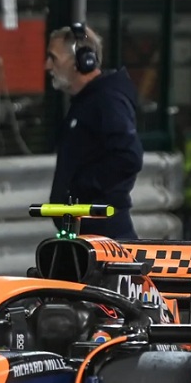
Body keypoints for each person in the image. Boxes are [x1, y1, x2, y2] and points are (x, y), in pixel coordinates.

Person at [45, 23, 144, 240]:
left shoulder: (107, 100)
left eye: (54, 58)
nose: (47, 66)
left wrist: (82, 187)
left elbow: (129, 157)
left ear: (82, 60)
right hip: (85, 231)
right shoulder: (88, 101)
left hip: (104, 232)